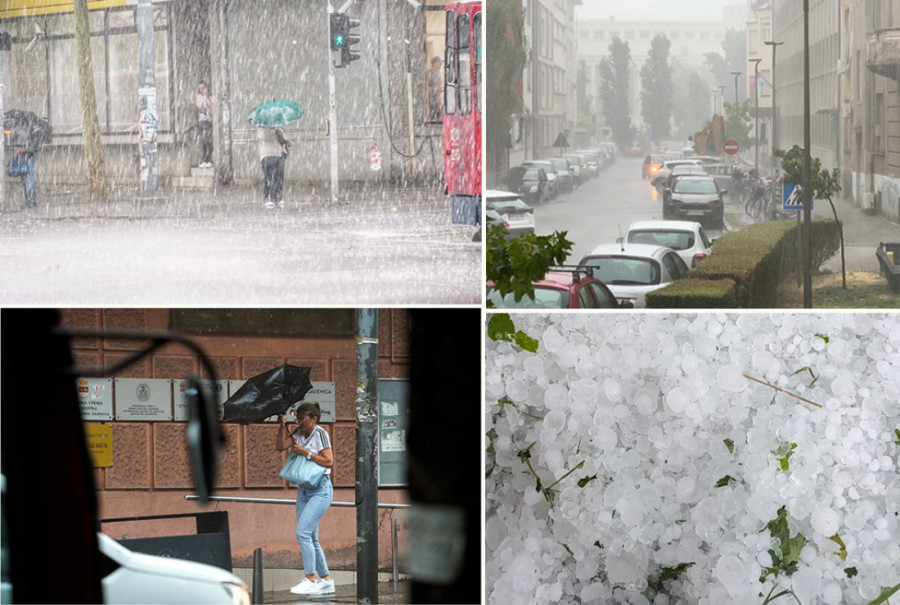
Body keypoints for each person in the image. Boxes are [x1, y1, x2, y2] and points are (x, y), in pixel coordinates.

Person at [275, 403, 335, 596]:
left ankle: (310, 578)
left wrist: (307, 453)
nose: (299, 422)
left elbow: (329, 461)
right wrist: (281, 425)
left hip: (321, 489)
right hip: (303, 491)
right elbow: (279, 446)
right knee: (311, 538)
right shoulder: (297, 433)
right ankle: (326, 580)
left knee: (302, 533)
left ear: (314, 419)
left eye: (302, 419)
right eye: (297, 418)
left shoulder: (320, 434)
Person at [258, 126, 290, 209]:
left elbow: (284, 139)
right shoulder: (262, 126)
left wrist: (280, 132)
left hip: (278, 154)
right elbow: (264, 137)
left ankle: (278, 197)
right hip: (267, 154)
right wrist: (276, 131)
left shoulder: (279, 124)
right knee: (268, 177)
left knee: (279, 177)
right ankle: (268, 197)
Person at [194, 82, 213, 168]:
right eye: (200, 89)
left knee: (207, 140)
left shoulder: (209, 97)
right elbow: (198, 106)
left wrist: (205, 96)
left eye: (203, 88)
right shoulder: (199, 97)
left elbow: (211, 105)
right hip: (201, 120)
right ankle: (204, 159)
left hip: (208, 121)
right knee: (203, 141)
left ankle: (209, 159)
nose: (201, 90)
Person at [426, 56, 443, 122]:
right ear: (434, 64)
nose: (440, 65)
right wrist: (434, 89)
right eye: (439, 63)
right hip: (430, 99)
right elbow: (425, 87)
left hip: (437, 99)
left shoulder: (438, 74)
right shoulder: (428, 73)